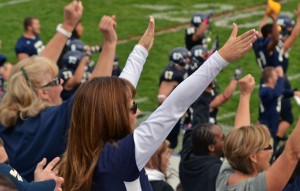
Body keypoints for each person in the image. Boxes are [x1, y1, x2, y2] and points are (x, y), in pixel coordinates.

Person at [58, 21, 258, 191]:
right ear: (112, 116)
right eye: (133, 107)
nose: (136, 114)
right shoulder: (120, 156)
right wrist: (219, 59)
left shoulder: (75, 158)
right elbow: (173, 106)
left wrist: (140, 52)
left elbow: (113, 98)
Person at [0, 1, 84, 181]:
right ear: (43, 93)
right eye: (55, 80)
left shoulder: (6, 122)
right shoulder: (56, 118)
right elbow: (99, 92)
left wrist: (67, 26)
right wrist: (110, 44)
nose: (61, 83)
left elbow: (31, 74)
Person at [216, 74, 300, 191]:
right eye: (268, 147)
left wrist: (245, 95)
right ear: (253, 157)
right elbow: (292, 153)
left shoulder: (226, 176)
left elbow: (240, 136)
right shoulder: (252, 188)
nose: (272, 151)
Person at [158, 47, 189, 149]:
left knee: (173, 142)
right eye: (185, 58)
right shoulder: (171, 74)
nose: (188, 60)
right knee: (167, 144)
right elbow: (161, 97)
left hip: (175, 114)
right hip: (168, 115)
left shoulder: (181, 71)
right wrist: (177, 106)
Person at [179, 123, 224, 191]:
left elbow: (190, 134)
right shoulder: (218, 173)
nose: (227, 140)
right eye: (223, 138)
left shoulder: (186, 159)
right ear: (211, 147)